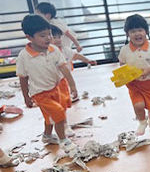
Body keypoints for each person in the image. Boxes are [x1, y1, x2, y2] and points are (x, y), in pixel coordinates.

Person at [16, 14, 78, 152]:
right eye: (43, 35)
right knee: (59, 113)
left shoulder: (54, 50)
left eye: (49, 34)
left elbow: (64, 68)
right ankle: (64, 140)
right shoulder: (24, 56)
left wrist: (72, 85)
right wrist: (26, 97)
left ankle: (47, 135)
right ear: (29, 37)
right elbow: (23, 78)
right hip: (40, 94)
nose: (48, 38)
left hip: (55, 89)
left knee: (50, 117)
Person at [118, 14, 150, 136]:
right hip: (134, 84)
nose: (137, 34)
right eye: (133, 31)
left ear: (146, 31)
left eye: (140, 30)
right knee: (138, 105)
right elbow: (122, 64)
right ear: (127, 34)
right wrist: (125, 74)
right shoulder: (125, 50)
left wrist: (148, 71)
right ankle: (142, 122)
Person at [50, 25, 96, 135]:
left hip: (64, 82)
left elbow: (76, 56)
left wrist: (88, 60)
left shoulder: (65, 50)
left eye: (58, 37)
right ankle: (63, 126)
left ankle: (61, 124)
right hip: (52, 84)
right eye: (54, 37)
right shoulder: (47, 54)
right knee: (58, 106)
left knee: (64, 104)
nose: (57, 40)